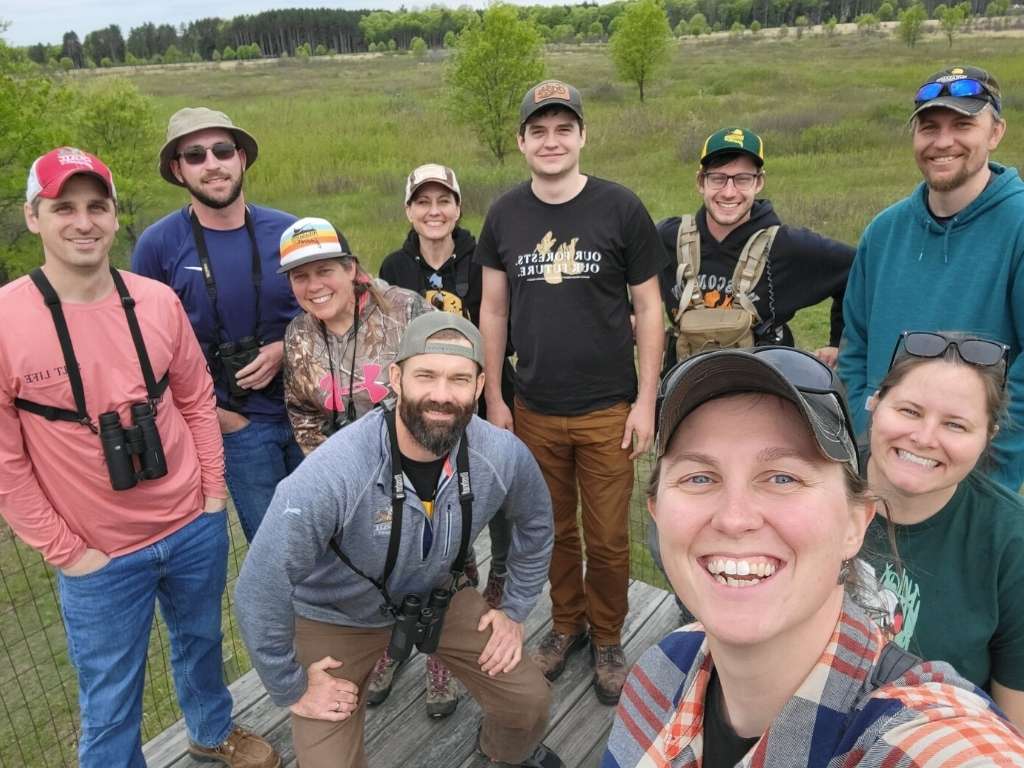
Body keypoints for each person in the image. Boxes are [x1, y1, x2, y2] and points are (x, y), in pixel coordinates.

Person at [603, 346, 1024, 767]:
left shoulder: (920, 739)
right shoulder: (657, 675)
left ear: (855, 524)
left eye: (783, 477)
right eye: (699, 477)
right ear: (657, 512)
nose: (735, 519)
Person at [0, 148, 279, 768]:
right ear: (32, 216)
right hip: (97, 554)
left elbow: (196, 399)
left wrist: (211, 496)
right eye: (63, 207)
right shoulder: (6, 321)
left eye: (97, 207)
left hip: (190, 527)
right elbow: (6, 465)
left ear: (114, 215)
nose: (83, 222)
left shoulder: (154, 301)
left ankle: (211, 731)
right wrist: (69, 552)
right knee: (110, 701)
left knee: (202, 644)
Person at [234, 311, 562, 768]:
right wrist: (290, 686)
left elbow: (537, 524)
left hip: (438, 599)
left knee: (528, 702)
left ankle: (502, 755)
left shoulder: (502, 455)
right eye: (425, 375)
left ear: (481, 384)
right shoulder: (333, 473)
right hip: (336, 615)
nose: (442, 396)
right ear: (395, 378)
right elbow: (259, 587)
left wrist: (515, 610)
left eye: (459, 379)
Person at [475, 79, 665, 705]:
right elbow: (494, 312)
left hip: (608, 408)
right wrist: (496, 399)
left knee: (609, 537)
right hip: (532, 408)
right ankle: (566, 626)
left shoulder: (620, 208)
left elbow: (649, 307)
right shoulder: (505, 215)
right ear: (522, 141)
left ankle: (608, 635)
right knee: (550, 531)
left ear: (582, 135)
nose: (551, 140)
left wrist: (645, 401)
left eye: (563, 128)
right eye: (539, 130)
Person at [279, 215, 465, 718]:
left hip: (426, 467)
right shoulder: (298, 336)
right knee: (374, 570)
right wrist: (328, 473)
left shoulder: (405, 310)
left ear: (351, 267)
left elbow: (451, 380)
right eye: (301, 276)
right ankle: (390, 647)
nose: (315, 286)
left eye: (325, 271)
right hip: (353, 487)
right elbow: (301, 410)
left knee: (439, 566)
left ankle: (440, 657)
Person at [839, 65, 1024, 492]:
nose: (943, 142)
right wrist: (868, 435)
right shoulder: (884, 232)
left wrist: (988, 462)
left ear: (995, 132)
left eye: (963, 125)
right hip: (883, 472)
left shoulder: (1017, 228)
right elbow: (856, 345)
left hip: (977, 484)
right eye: (929, 127)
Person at [132, 107, 303, 542]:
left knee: (336, 536)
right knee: (274, 548)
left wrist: (286, 347)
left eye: (223, 150)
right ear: (178, 169)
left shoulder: (289, 231)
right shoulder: (158, 247)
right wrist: (221, 420)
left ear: (241, 158)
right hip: (239, 427)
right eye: (195, 155)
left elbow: (335, 309)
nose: (212, 164)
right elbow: (142, 353)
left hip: (312, 413)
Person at [861, 330, 1024, 728]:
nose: (924, 438)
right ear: (875, 404)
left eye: (955, 425)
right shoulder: (808, 490)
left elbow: (1013, 728)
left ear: (989, 437)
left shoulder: (1010, 541)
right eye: (910, 412)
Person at [380, 166, 515, 607]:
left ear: (458, 208)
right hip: (430, 400)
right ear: (408, 210)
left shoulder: (484, 258)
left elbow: (501, 326)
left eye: (443, 201)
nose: (433, 211)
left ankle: (500, 566)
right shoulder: (394, 266)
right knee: (439, 484)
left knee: (493, 481)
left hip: (484, 388)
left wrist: (493, 396)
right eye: (423, 201)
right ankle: (458, 565)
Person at [658, 127, 853, 368]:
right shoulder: (669, 239)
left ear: (759, 182)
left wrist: (839, 342)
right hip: (683, 390)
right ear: (701, 181)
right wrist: (632, 310)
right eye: (718, 178)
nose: (729, 192)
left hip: (765, 393)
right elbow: (631, 275)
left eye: (742, 179)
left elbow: (856, 269)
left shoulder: (787, 246)